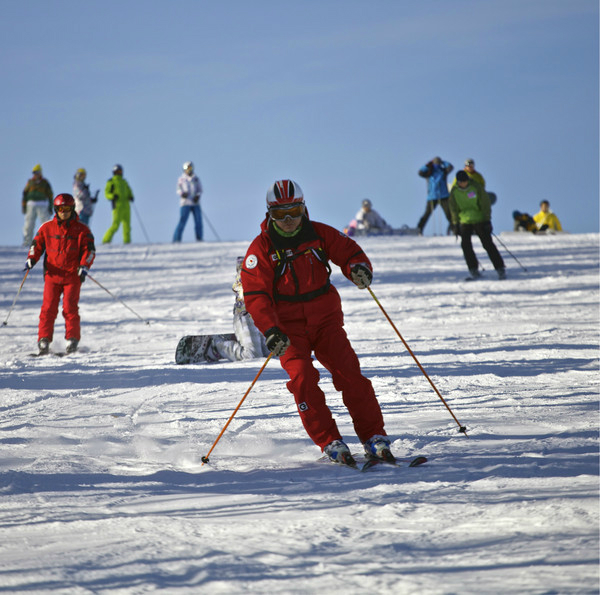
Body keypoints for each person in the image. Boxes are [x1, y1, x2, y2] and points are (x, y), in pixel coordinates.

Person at [241, 179, 394, 466]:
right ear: (269, 214)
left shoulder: (319, 234)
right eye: (279, 214)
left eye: (294, 212)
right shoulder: (261, 248)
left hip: (325, 321)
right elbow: (256, 295)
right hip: (287, 330)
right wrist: (271, 330)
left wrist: (357, 268)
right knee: (302, 379)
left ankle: (373, 436)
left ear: (304, 208)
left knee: (350, 373)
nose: (288, 221)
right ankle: (329, 440)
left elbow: (349, 251)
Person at [25, 193, 96, 355]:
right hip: (52, 275)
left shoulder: (81, 230)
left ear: (72, 209)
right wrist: (31, 259)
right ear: (56, 209)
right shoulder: (47, 227)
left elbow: (89, 250)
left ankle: (72, 340)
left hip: (72, 276)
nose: (64, 212)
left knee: (70, 308)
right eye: (60, 209)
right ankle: (44, 340)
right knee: (48, 308)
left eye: (67, 209)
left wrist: (84, 266)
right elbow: (36, 245)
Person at [200, 257, 269, 362]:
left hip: (264, 316)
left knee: (269, 354)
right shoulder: (247, 274)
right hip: (245, 315)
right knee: (253, 355)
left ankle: (240, 343)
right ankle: (216, 346)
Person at [449, 171, 506, 280]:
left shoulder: (476, 187)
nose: (463, 184)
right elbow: (453, 209)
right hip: (465, 220)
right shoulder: (454, 191)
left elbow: (485, 204)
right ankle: (473, 269)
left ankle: (500, 268)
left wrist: (487, 220)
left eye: (465, 181)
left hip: (479, 219)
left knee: (487, 243)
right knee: (466, 245)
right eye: (461, 182)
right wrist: (455, 224)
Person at [417, 156, 454, 235]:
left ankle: (455, 229)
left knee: (449, 214)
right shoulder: (429, 172)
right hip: (432, 196)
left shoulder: (443, 171)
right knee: (427, 214)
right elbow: (420, 172)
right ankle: (419, 229)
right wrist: (427, 165)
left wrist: (443, 162)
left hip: (443, 196)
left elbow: (450, 167)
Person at [22, 164, 53, 246]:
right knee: (29, 223)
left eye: (37, 172)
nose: (36, 174)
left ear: (40, 173)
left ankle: (48, 241)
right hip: (31, 205)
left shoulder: (45, 183)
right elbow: (25, 194)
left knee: (46, 223)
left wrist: (51, 207)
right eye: (34, 173)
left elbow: (50, 195)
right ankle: (27, 241)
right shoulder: (30, 182)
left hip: (42, 204)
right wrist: (24, 205)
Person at [102, 164, 134, 244]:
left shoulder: (124, 182)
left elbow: (129, 191)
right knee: (115, 225)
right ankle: (106, 240)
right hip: (117, 206)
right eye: (117, 171)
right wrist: (112, 196)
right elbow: (106, 193)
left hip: (126, 206)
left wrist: (131, 196)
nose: (119, 173)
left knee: (127, 226)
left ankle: (127, 242)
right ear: (114, 172)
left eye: (120, 171)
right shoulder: (111, 182)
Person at [173, 161, 203, 242]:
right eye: (188, 168)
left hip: (195, 203)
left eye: (190, 168)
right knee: (182, 221)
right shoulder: (181, 179)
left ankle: (199, 238)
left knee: (198, 221)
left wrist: (197, 196)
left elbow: (200, 190)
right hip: (185, 203)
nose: (189, 170)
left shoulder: (196, 178)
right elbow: (178, 189)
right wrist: (182, 194)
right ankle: (176, 239)